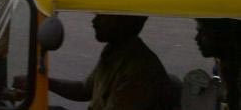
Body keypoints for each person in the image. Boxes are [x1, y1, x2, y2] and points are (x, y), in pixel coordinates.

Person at [46, 14, 175, 110]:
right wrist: (44, 82)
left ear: (124, 20)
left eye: (103, 16)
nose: (94, 21)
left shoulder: (139, 69)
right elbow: (85, 89)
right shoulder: (116, 51)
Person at [192, 18, 241, 110]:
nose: (197, 38)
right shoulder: (226, 68)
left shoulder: (235, 73)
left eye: (203, 33)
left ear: (220, 35)